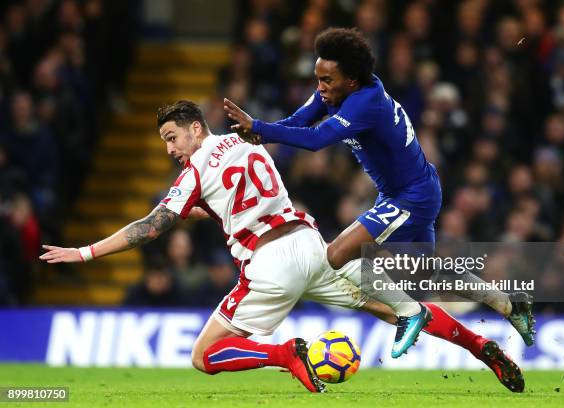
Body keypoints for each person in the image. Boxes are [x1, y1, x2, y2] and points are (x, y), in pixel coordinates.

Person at [40, 100, 524, 393]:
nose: (170, 150)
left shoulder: (194, 172)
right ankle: (482, 346)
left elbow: (152, 225)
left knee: (204, 356)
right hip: (312, 246)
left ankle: (286, 355)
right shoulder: (249, 140)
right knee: (392, 306)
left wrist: (83, 252)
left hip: (269, 265)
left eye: (172, 137)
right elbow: (230, 199)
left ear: (194, 128)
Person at [224, 27, 535, 350]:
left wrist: (259, 128)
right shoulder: (336, 93)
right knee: (423, 273)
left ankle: (409, 313)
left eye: (327, 80)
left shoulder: (366, 103)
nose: (320, 88)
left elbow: (316, 141)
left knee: (336, 255)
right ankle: (509, 304)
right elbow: (298, 121)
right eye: (318, 79)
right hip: (409, 189)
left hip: (411, 196)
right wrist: (253, 134)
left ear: (352, 80)